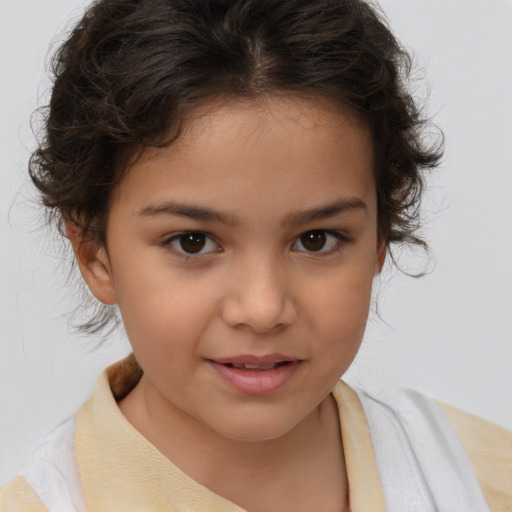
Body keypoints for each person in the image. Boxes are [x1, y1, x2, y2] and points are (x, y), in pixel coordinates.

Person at [1, 0, 510, 510]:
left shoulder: (482, 481)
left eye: (317, 239)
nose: (263, 309)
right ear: (95, 255)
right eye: (192, 242)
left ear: (380, 237)